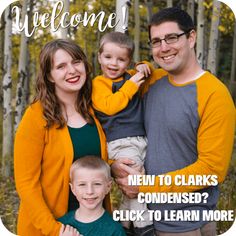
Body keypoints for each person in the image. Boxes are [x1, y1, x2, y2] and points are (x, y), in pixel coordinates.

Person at [112, 7, 235, 236]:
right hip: (141, 219)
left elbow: (211, 170)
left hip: (184, 224)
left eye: (171, 38)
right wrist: (113, 164)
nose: (164, 48)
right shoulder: (152, 81)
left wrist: (146, 186)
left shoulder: (214, 94)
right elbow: (113, 111)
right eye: (156, 41)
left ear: (191, 37)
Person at [14, 39, 110, 236]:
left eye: (76, 62)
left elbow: (93, 160)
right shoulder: (36, 116)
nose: (72, 71)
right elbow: (26, 184)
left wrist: (113, 166)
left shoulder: (94, 109)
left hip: (94, 225)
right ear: (50, 76)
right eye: (61, 66)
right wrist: (55, 229)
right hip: (51, 229)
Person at [92, 31, 154, 235]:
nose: (113, 63)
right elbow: (109, 106)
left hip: (140, 140)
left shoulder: (129, 76)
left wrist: (143, 65)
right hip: (120, 142)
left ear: (128, 61)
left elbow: (148, 72)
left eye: (121, 59)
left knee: (132, 185)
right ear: (99, 56)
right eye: (108, 57)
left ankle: (125, 225)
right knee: (136, 183)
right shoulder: (98, 84)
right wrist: (129, 87)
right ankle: (145, 227)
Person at [58, 155, 126, 236]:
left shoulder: (115, 230)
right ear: (73, 189)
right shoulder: (62, 225)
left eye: (97, 184)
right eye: (82, 184)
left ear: (108, 187)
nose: (90, 191)